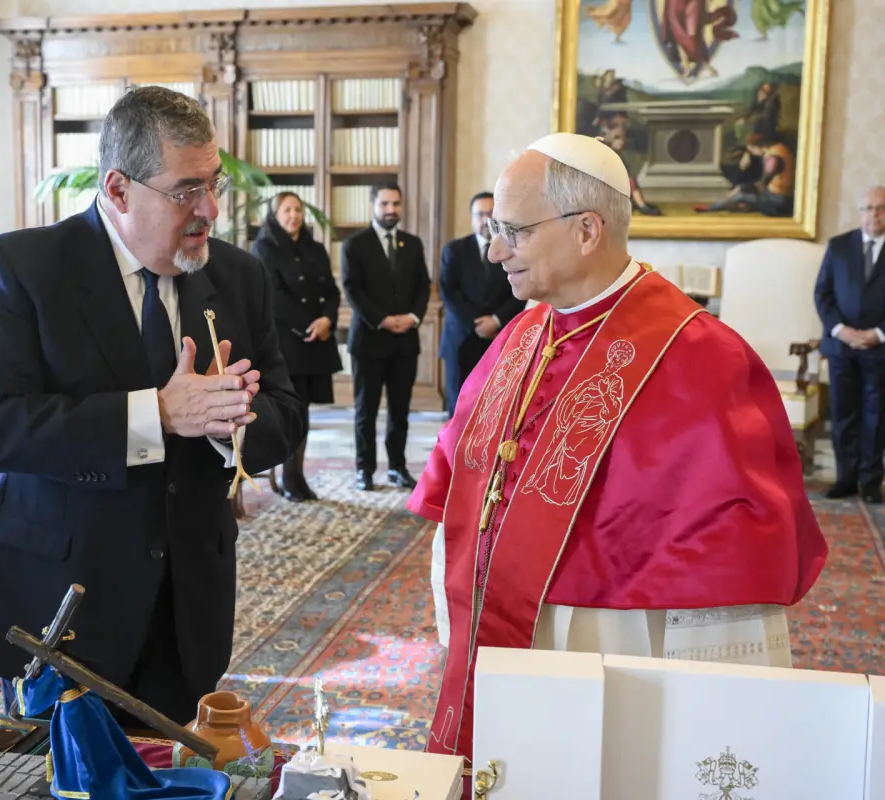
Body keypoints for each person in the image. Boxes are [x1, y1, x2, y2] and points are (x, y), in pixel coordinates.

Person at [407, 132, 827, 762]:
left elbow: (730, 579)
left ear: (586, 230)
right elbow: (462, 487)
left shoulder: (702, 358)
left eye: (514, 231)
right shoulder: (520, 335)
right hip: (501, 643)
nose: (495, 252)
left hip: (613, 653)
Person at [0, 86, 303, 726]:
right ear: (117, 190)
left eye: (214, 184)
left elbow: (285, 415)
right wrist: (158, 416)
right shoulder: (22, 268)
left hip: (187, 601)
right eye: (186, 191)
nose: (211, 210)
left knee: (171, 779)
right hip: (61, 607)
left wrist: (232, 422)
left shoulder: (239, 276)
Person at [16, 667, 230, 799]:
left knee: (82, 753)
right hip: (84, 708)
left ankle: (89, 789)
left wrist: (24, 686)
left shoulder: (56, 672)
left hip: (75, 715)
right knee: (96, 748)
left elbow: (33, 702)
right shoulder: (68, 666)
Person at [251, 191, 342, 502]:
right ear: (275, 215)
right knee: (290, 411)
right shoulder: (264, 247)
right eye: (287, 210)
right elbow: (275, 298)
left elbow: (331, 290)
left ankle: (298, 475)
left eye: (298, 209)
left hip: (317, 340)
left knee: (304, 412)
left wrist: (327, 320)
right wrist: (310, 325)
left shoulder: (315, 248)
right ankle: (290, 478)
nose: (294, 215)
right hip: (288, 342)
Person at [341, 183, 430, 491]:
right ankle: (364, 469)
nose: (391, 210)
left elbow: (423, 286)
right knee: (365, 411)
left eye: (396, 204)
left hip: (405, 341)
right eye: (385, 204)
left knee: (400, 411)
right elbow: (352, 289)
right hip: (368, 341)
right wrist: (381, 320)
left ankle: (397, 467)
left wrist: (413, 318)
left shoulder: (413, 244)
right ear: (373, 206)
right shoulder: (354, 245)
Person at [814, 185, 885, 503]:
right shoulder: (839, 246)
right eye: (868, 208)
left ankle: (870, 483)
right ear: (859, 212)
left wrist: (879, 333)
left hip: (880, 348)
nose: (874, 214)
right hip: (842, 347)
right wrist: (841, 330)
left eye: (880, 208)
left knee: (876, 416)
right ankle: (845, 479)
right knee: (843, 414)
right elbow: (823, 294)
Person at [438, 191, 525, 417]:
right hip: (461, 339)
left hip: (499, 338)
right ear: (471, 218)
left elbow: (520, 291)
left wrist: (495, 320)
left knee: (496, 409)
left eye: (491, 214)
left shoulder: (512, 249)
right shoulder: (454, 250)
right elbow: (448, 291)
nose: (486, 220)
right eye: (480, 214)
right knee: (459, 408)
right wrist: (477, 323)